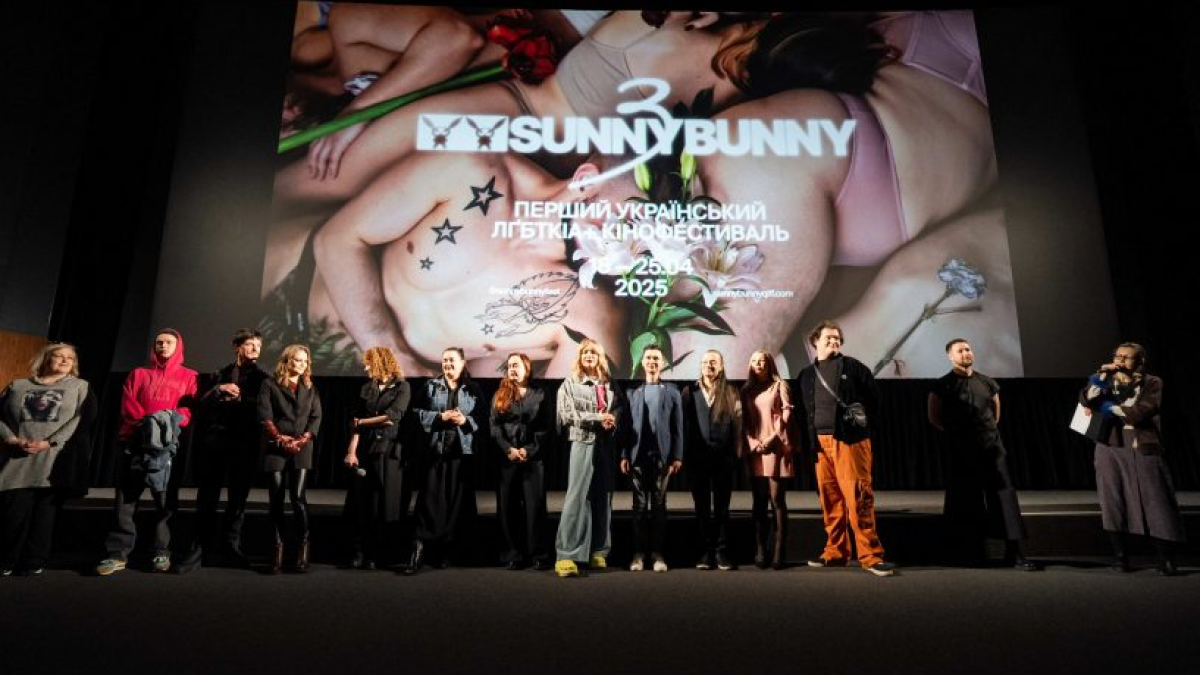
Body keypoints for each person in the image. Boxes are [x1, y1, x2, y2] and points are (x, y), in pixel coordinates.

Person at [306, 144, 632, 376]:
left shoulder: (589, 316)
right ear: (587, 179)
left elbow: (561, 427)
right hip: (297, 301)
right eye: (627, 221)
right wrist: (390, 357)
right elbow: (336, 239)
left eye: (649, 236)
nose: (630, 245)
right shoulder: (471, 171)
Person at [96, 329, 198, 575]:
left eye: (169, 342)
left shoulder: (189, 376)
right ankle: (117, 554)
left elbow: (187, 411)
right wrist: (147, 424)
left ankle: (161, 552)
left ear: (178, 347)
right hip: (134, 443)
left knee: (164, 502)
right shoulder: (139, 374)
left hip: (166, 447)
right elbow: (128, 403)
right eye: (159, 342)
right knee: (126, 500)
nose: (163, 346)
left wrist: (165, 423)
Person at [928, 338, 1036, 571]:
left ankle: (1014, 553)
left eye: (968, 349)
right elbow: (934, 417)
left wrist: (986, 433)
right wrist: (958, 434)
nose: (966, 353)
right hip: (961, 450)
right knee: (965, 498)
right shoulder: (942, 385)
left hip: (991, 448)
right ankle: (970, 552)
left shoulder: (987, 382)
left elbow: (996, 414)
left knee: (1003, 497)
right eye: (960, 350)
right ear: (950, 356)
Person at [797, 321, 896, 576]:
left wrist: (860, 430)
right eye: (828, 338)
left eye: (837, 339)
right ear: (815, 342)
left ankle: (871, 555)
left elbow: (875, 402)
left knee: (858, 497)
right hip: (820, 445)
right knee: (830, 500)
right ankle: (836, 552)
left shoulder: (854, 367)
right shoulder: (806, 375)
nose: (834, 342)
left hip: (850, 442)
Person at [1080, 343, 1184, 575]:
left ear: (1140, 361)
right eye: (1117, 356)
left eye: (1126, 357)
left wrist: (1106, 407)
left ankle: (1166, 558)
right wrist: (1101, 379)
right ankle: (1121, 557)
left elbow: (1141, 411)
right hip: (1109, 445)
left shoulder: (1152, 382)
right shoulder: (1104, 379)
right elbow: (1087, 399)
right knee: (1112, 500)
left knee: (1156, 500)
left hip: (1141, 445)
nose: (1120, 360)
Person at [178, 329, 269, 573]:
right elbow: (201, 403)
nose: (255, 349)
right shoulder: (220, 374)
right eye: (250, 344)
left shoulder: (263, 378)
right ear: (237, 346)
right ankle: (200, 548)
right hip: (216, 442)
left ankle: (231, 549)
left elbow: (265, 410)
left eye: (258, 346)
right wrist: (219, 390)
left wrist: (241, 400)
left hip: (245, 445)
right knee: (207, 497)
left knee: (237, 500)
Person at [0, 343, 95, 576]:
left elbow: (81, 420)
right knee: (13, 513)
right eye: (58, 356)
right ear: (45, 359)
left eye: (70, 358)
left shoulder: (80, 387)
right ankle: (7, 559)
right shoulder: (18, 385)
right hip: (19, 457)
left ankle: (34, 560)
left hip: (53, 460)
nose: (64, 360)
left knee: (45, 514)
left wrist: (50, 442)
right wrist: (11, 439)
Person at [408, 347, 485, 573]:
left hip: (462, 454)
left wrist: (465, 421)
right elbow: (414, 414)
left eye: (452, 360)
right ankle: (418, 551)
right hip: (436, 452)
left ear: (462, 363)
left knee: (455, 504)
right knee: (429, 502)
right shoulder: (430, 386)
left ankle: (445, 551)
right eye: (444, 360)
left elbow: (483, 418)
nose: (447, 364)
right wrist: (439, 417)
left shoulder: (473, 389)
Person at [553, 338, 625, 577]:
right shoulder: (570, 383)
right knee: (577, 497)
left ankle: (598, 551)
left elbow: (619, 408)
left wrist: (613, 419)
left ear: (600, 357)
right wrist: (598, 418)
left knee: (603, 497)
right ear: (580, 358)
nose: (589, 356)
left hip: (605, 445)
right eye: (585, 353)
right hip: (582, 442)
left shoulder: (609, 383)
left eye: (593, 352)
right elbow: (566, 414)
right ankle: (566, 555)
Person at [343, 346, 411, 571]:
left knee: (383, 503)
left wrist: (363, 422)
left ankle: (377, 553)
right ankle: (359, 550)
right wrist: (352, 451)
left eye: (369, 363)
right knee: (361, 502)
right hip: (366, 448)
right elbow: (355, 422)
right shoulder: (367, 388)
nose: (365, 368)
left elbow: (392, 417)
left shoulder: (402, 387)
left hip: (389, 451)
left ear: (381, 363)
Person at [258, 343, 322, 573]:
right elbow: (264, 414)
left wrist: (302, 440)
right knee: (276, 499)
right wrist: (279, 438)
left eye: (305, 361)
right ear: (287, 361)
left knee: (297, 498)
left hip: (302, 447)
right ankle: (277, 550)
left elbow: (316, 417)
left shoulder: (310, 387)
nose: (302, 364)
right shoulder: (269, 384)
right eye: (297, 360)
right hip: (276, 446)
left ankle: (303, 550)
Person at [620, 344, 683, 572]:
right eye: (648, 358)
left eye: (656, 358)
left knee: (658, 506)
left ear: (663, 363)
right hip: (637, 456)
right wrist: (624, 454)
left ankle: (657, 554)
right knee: (638, 507)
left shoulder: (672, 391)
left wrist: (677, 456)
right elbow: (627, 428)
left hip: (662, 458)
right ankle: (638, 555)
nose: (652, 362)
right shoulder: (632, 392)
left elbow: (678, 428)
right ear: (642, 362)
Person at [490, 352, 553, 570]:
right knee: (508, 507)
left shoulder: (540, 393)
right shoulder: (500, 393)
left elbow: (546, 426)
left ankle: (538, 554)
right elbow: (494, 426)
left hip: (532, 457)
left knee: (535, 507)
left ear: (527, 368)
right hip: (507, 458)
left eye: (516, 365)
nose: (512, 369)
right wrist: (508, 449)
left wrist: (528, 449)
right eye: (509, 366)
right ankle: (513, 554)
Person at [682, 349, 742, 571]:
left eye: (714, 362)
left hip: (723, 458)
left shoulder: (732, 392)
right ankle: (706, 551)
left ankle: (721, 551)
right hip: (697, 459)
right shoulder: (689, 392)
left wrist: (737, 451)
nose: (709, 365)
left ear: (721, 366)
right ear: (701, 366)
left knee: (722, 508)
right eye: (706, 362)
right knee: (702, 507)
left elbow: (738, 424)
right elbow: (683, 426)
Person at [740, 349, 794, 569]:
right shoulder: (746, 390)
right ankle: (761, 549)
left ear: (769, 363)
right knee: (759, 501)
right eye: (754, 361)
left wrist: (772, 438)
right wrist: (754, 443)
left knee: (777, 499)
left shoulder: (780, 386)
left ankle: (779, 551)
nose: (758, 364)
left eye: (762, 361)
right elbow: (743, 421)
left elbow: (787, 413)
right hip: (755, 449)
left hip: (775, 446)